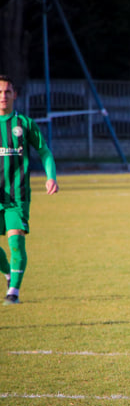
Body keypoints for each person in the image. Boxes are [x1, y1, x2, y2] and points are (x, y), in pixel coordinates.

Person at [0, 75, 59, 305]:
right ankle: (8, 273)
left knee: (15, 242)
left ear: (15, 94)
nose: (3, 96)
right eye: (0, 92)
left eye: (7, 91)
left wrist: (51, 177)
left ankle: (13, 291)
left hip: (18, 195)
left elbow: (44, 152)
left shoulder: (24, 124)